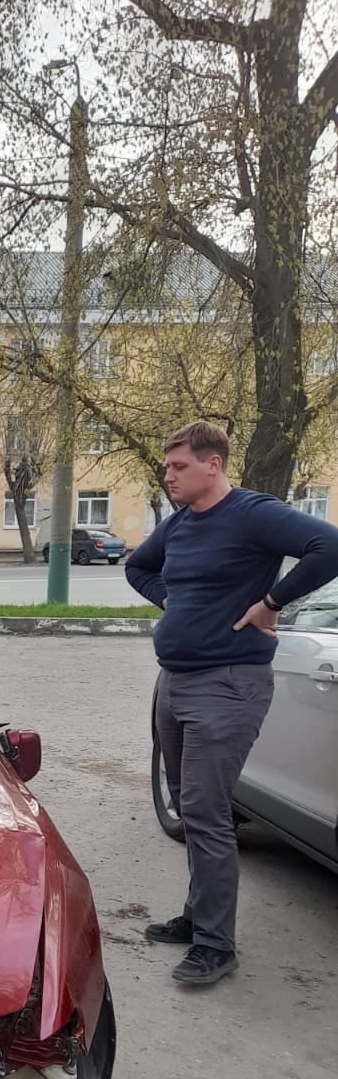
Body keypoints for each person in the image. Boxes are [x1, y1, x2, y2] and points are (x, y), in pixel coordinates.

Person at [126, 420, 338, 986]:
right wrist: (171, 600)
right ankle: (199, 917)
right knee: (188, 807)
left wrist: (271, 604)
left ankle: (217, 946)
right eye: (167, 467)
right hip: (174, 681)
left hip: (228, 683)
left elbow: (330, 546)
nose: (168, 476)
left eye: (179, 467)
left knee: (205, 810)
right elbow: (136, 567)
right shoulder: (178, 527)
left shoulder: (250, 513)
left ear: (213, 464)